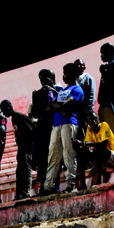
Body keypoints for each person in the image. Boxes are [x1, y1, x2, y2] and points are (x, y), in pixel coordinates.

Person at [42, 63, 84, 195]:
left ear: (71, 73)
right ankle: (49, 185)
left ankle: (71, 184)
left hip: (69, 123)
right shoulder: (61, 91)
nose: (63, 76)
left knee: (69, 154)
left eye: (65, 72)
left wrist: (58, 107)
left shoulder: (77, 89)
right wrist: (61, 108)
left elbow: (68, 104)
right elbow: (49, 108)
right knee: (53, 155)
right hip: (57, 125)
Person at [74, 111, 114, 190]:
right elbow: (86, 148)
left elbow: (102, 145)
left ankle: (98, 182)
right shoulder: (89, 130)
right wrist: (78, 146)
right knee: (81, 154)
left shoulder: (104, 125)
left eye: (95, 119)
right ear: (87, 122)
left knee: (97, 150)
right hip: (102, 158)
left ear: (98, 120)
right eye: (90, 120)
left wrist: (82, 143)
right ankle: (82, 185)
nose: (94, 121)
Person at [31, 69, 63, 191]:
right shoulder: (38, 93)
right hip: (42, 130)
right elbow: (35, 113)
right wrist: (35, 98)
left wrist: (52, 90)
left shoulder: (59, 90)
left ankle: (55, 186)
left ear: (52, 77)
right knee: (43, 160)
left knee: (54, 158)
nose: (43, 81)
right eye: (41, 78)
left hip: (54, 127)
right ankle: (45, 186)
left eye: (45, 77)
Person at [1, 99, 36, 200]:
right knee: (19, 172)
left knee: (26, 171)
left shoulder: (20, 117)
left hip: (26, 148)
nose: (4, 113)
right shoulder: (14, 119)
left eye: (4, 110)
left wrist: (27, 144)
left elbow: (32, 129)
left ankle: (26, 192)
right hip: (21, 149)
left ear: (10, 107)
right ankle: (19, 194)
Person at [97, 43, 114, 139]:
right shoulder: (107, 66)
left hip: (110, 106)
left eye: (102, 53)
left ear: (109, 52)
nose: (101, 56)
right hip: (104, 105)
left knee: (111, 136)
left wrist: (104, 72)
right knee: (105, 136)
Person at [74, 59, 96, 139]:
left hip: (84, 113)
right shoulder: (74, 80)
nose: (78, 66)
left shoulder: (89, 79)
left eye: (81, 64)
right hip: (76, 114)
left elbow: (91, 96)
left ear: (84, 67)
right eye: (76, 65)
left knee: (85, 134)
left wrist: (88, 112)